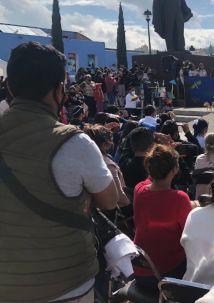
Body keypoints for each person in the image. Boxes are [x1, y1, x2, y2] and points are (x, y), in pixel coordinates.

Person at [0, 42, 117, 302]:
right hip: (65, 284)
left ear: (9, 86)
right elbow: (110, 200)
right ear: (59, 90)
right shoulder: (74, 142)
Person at [133, 144, 192, 289]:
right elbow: (189, 234)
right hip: (166, 274)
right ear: (174, 170)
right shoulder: (180, 199)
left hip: (140, 269)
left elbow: (151, 182)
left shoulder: (139, 189)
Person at [85, 125, 131, 208]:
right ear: (104, 144)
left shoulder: (84, 158)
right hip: (108, 211)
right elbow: (120, 197)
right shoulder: (109, 166)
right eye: (111, 140)